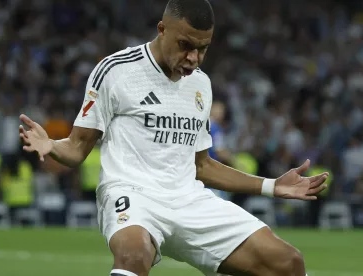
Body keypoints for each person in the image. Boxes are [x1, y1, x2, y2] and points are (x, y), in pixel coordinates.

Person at [19, 1, 328, 275]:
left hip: (187, 198)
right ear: (162, 29)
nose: (194, 58)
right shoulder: (116, 71)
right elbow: (76, 148)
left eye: (203, 48)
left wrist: (272, 186)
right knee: (133, 254)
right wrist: (51, 146)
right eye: (185, 45)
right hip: (132, 193)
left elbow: (202, 166)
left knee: (287, 263)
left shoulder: (200, 86)